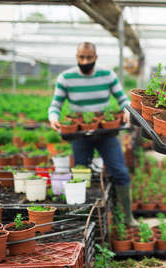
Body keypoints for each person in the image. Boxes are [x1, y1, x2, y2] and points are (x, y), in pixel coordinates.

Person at [48, 42, 138, 227]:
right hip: (80, 134)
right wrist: (53, 118)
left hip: (106, 132)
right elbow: (55, 105)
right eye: (82, 57)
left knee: (120, 171)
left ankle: (128, 217)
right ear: (77, 56)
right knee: (81, 174)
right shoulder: (66, 78)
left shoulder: (107, 75)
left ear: (95, 57)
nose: (85, 61)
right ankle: (83, 218)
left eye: (89, 57)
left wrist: (128, 110)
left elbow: (122, 99)